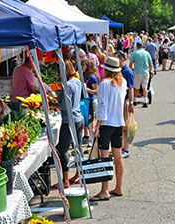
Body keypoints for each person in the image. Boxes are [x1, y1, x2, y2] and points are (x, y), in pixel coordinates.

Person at [91, 57, 128, 202]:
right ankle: (119, 186)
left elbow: (102, 106)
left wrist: (97, 125)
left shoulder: (104, 85)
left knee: (104, 156)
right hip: (118, 122)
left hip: (106, 123)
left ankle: (105, 189)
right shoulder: (122, 83)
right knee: (118, 155)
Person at [54, 60, 86, 189]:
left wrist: (57, 100)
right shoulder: (78, 81)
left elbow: (65, 105)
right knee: (78, 147)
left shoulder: (67, 85)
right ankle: (78, 175)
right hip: (79, 118)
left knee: (62, 149)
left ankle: (65, 180)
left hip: (69, 120)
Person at [118, 51, 136, 159]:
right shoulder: (120, 70)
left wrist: (131, 102)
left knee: (125, 126)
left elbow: (131, 88)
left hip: (125, 101)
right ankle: (121, 147)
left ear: (122, 60)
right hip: (120, 101)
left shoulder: (127, 72)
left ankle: (126, 149)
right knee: (121, 126)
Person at [130, 42, 153, 108]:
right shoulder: (147, 53)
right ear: (142, 46)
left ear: (137, 46)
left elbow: (131, 64)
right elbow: (150, 63)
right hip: (146, 72)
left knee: (136, 87)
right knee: (145, 87)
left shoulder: (134, 53)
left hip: (137, 72)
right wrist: (150, 70)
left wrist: (131, 70)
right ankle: (145, 101)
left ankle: (135, 100)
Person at [83, 59, 100, 145]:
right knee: (87, 121)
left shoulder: (92, 77)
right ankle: (88, 137)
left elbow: (97, 91)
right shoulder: (86, 75)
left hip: (92, 101)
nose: (82, 67)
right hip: (86, 101)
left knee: (92, 123)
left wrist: (87, 89)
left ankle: (94, 142)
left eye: (84, 65)